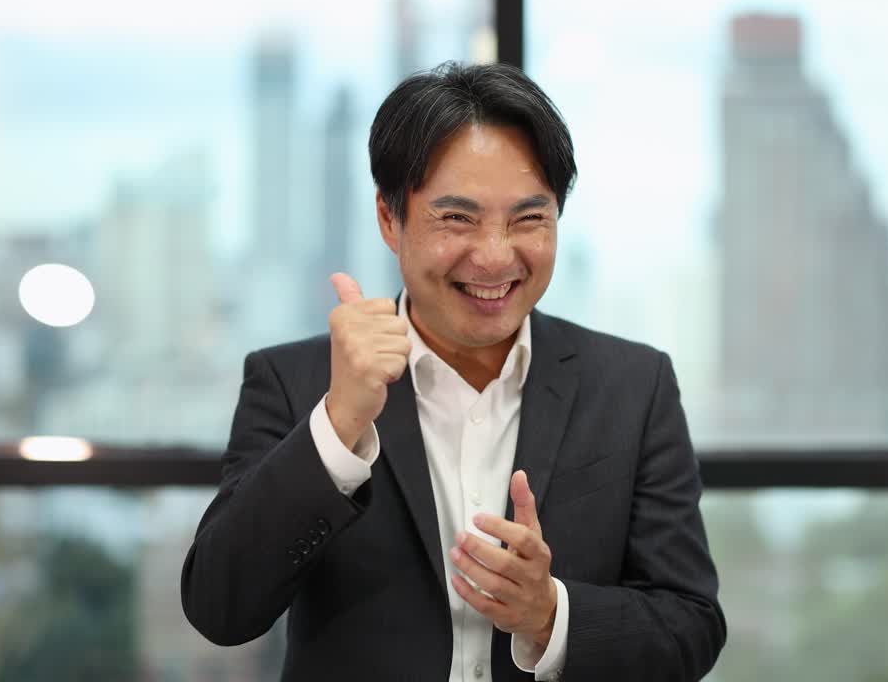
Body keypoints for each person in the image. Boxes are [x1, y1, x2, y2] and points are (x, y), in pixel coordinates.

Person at [181, 62, 726, 681]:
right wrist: (339, 425)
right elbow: (220, 609)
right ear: (390, 218)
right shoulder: (294, 382)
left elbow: (691, 626)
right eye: (458, 218)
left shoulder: (634, 385)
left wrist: (549, 615)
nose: (495, 256)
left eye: (528, 219)